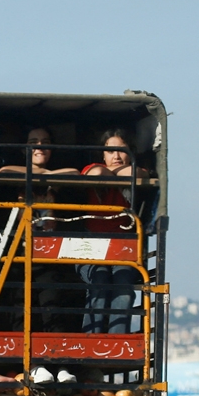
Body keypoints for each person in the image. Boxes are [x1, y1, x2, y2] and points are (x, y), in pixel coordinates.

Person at [76, 129, 144, 334]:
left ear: (130, 152)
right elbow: (96, 173)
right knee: (100, 280)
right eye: (110, 151)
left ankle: (116, 341)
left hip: (123, 247)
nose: (116, 156)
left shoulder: (137, 170)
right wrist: (115, 172)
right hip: (92, 247)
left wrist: (117, 172)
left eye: (122, 150)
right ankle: (91, 340)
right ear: (102, 155)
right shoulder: (93, 168)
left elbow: (136, 173)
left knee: (124, 289)